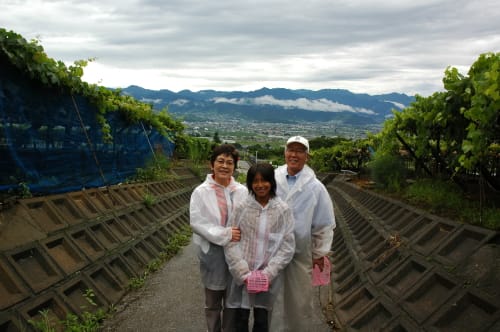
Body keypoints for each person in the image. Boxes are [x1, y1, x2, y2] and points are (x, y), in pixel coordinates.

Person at [270, 135, 336, 332]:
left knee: (299, 300)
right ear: (285, 152)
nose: (294, 154)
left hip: (301, 254)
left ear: (307, 156)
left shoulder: (316, 187)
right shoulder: (272, 179)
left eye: (300, 151)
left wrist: (320, 253)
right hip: (272, 250)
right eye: (291, 150)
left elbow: (324, 224)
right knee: (272, 297)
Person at [224, 163, 295, 332]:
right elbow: (231, 240)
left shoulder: (282, 210)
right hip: (243, 275)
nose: (260, 185)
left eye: (264, 180)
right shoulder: (242, 208)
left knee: (262, 320)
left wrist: (268, 274)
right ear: (250, 184)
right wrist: (243, 272)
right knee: (240, 319)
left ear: (272, 182)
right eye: (255, 181)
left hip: (268, 277)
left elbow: (287, 245)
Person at [189, 144, 248, 332]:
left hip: (237, 256)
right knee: (213, 302)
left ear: (235, 166)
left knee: (233, 302)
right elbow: (197, 222)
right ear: (211, 164)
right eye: (220, 161)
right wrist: (226, 234)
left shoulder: (242, 191)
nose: (225, 166)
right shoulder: (201, 192)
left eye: (230, 162)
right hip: (212, 255)